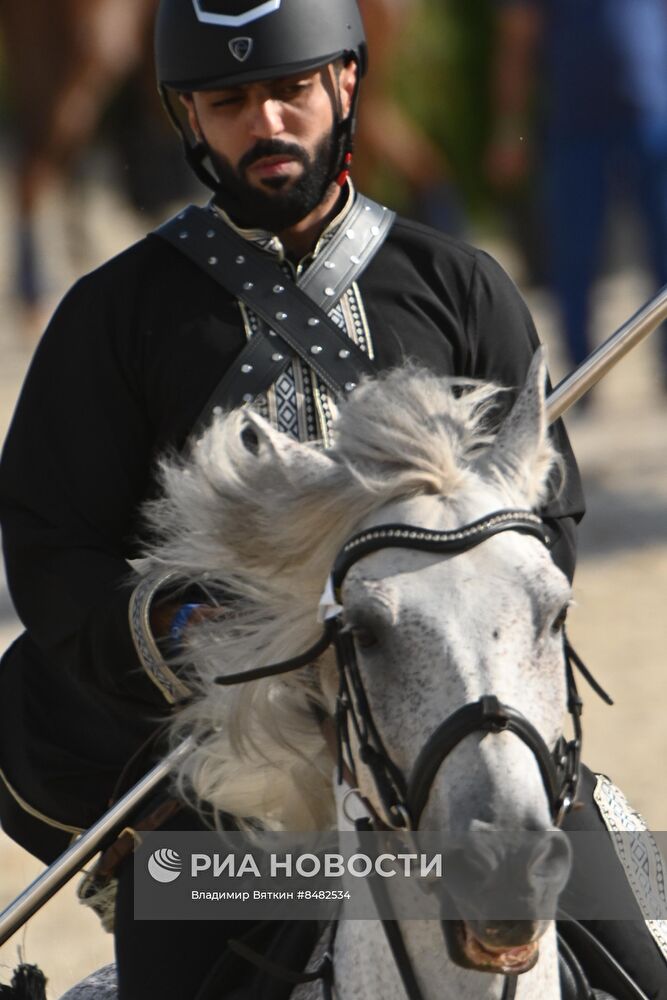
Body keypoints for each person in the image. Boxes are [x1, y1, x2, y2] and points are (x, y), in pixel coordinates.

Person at [0, 2, 661, 998]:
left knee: (642, 961)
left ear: (345, 85)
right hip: (228, 780)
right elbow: (53, 554)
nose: (265, 121)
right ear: (188, 114)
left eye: (290, 90)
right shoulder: (112, 317)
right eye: (229, 100)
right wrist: (184, 627)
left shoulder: (463, 286)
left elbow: (548, 528)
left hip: (452, 740)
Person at [486, 0, 667, 381]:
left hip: (652, 118)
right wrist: (511, 131)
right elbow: (517, 41)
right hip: (576, 128)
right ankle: (581, 373)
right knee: (574, 251)